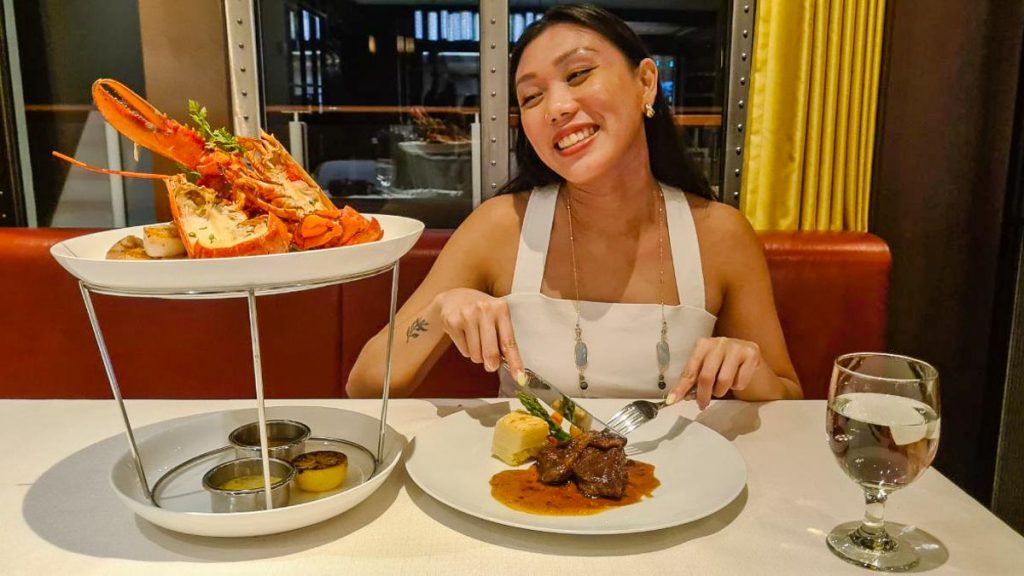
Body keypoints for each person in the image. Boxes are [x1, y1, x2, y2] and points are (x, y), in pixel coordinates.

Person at [348, 5, 802, 406]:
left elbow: (787, 398)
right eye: (531, 96)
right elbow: (365, 386)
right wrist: (440, 309)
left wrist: (747, 366)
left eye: (579, 74)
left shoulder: (719, 234)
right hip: (523, 490)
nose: (557, 107)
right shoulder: (502, 226)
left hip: (681, 490)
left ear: (645, 83)